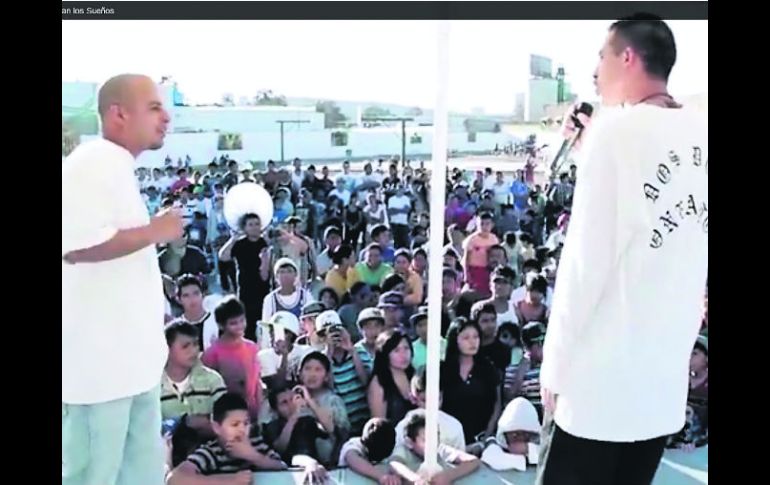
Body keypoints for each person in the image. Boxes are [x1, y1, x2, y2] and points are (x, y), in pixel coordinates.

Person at [539, 16, 706, 465]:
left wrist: (554, 365)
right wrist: (586, 152)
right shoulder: (702, 131)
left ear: (627, 57)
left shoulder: (615, 136)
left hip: (600, 391)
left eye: (601, 56)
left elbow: (584, 266)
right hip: (660, 388)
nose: (595, 72)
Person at [62, 74, 184, 485]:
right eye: (153, 107)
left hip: (133, 369)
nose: (166, 117)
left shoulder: (115, 168)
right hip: (101, 375)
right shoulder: (90, 163)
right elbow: (75, 245)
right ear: (118, 114)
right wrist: (157, 230)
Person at [165, 393, 294, 485]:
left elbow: (281, 467)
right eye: (235, 424)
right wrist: (229, 481)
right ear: (217, 427)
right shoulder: (211, 453)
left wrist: (253, 456)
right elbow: (174, 479)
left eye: (246, 423)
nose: (242, 429)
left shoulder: (256, 445)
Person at [162, 321, 228, 466]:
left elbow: (227, 425)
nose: (193, 350)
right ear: (167, 349)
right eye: (185, 346)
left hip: (210, 459)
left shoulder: (213, 380)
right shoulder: (153, 386)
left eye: (195, 344)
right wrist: (182, 423)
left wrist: (206, 426)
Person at [441, 317, 502, 445]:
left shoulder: (487, 368)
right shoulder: (443, 369)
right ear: (455, 339)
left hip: (481, 436)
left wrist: (487, 434)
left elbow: (497, 404)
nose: (472, 342)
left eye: (476, 337)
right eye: (466, 338)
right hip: (449, 437)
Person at [202, 297, 262, 420]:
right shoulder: (212, 353)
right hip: (227, 415)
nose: (240, 326)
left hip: (252, 412)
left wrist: (259, 411)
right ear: (221, 325)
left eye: (242, 320)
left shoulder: (252, 348)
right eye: (233, 323)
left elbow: (257, 383)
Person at [317, 310, 373, 435]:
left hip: (366, 416)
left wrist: (352, 351)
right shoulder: (321, 360)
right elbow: (329, 388)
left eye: (337, 331)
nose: (334, 336)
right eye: (327, 333)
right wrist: (329, 355)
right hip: (344, 426)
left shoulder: (360, 351)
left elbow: (366, 382)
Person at [218, 213, 271, 342]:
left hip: (263, 290)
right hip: (245, 290)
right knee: (246, 326)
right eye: (251, 225)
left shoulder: (265, 243)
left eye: (257, 224)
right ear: (245, 228)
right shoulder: (240, 244)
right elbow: (223, 256)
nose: (254, 227)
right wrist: (233, 239)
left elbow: (266, 274)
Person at [389, 411, 481, 485]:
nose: (432, 444)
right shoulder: (404, 451)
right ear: (410, 442)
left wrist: (448, 476)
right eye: (425, 440)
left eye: (435, 437)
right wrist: (415, 478)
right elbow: (395, 464)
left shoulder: (440, 450)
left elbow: (473, 461)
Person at [295, 351, 352, 466]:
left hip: (330, 463)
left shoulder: (333, 401)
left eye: (318, 369)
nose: (312, 374)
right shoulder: (293, 399)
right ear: (300, 374)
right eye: (308, 369)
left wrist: (310, 400)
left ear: (326, 376)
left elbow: (338, 434)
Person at [395, 368, 466, 452]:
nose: (431, 406)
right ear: (413, 398)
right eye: (425, 400)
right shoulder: (402, 428)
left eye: (436, 399)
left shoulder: (454, 426)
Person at [367, 329, 416, 425]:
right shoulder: (379, 383)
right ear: (385, 354)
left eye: (406, 348)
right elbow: (379, 425)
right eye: (396, 350)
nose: (403, 355)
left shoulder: (414, 374)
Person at [257, 311, 311, 390]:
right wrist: (284, 356)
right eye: (271, 330)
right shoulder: (263, 356)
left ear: (289, 334)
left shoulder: (306, 351)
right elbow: (278, 386)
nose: (271, 334)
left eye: (276, 331)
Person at [339, 418, 400, 485]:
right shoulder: (353, 444)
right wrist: (380, 476)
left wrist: (396, 476)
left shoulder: (389, 444)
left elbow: (396, 461)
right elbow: (352, 458)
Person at [503, 322, 546, 417]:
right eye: (539, 344)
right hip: (526, 416)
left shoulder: (554, 365)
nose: (544, 347)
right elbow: (508, 399)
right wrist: (520, 376)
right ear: (527, 347)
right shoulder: (513, 368)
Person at [260, 258, 314, 332]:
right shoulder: (270, 299)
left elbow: (312, 323)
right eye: (281, 272)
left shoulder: (306, 296)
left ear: (295, 275)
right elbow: (266, 327)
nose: (285, 275)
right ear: (276, 277)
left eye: (289, 271)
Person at [174, 274, 219, 352]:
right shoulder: (176, 328)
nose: (192, 299)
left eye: (196, 293)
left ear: (203, 294)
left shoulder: (217, 322)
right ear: (179, 300)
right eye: (186, 296)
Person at [462, 212, 500, 296]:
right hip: (475, 270)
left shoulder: (494, 239)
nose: (484, 227)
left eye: (487, 224)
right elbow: (465, 258)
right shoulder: (472, 239)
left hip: (489, 270)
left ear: (492, 225)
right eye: (481, 224)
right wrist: (466, 274)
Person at [472, 301, 510, 374]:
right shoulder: (470, 349)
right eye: (485, 321)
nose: (490, 325)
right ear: (476, 323)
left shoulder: (503, 351)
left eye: (493, 320)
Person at [387, 184, 412, 249]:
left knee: (404, 242)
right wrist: (401, 209)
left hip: (403, 223)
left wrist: (396, 210)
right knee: (396, 242)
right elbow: (391, 212)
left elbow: (406, 210)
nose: (400, 190)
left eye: (401, 189)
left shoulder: (406, 199)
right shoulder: (391, 199)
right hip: (394, 223)